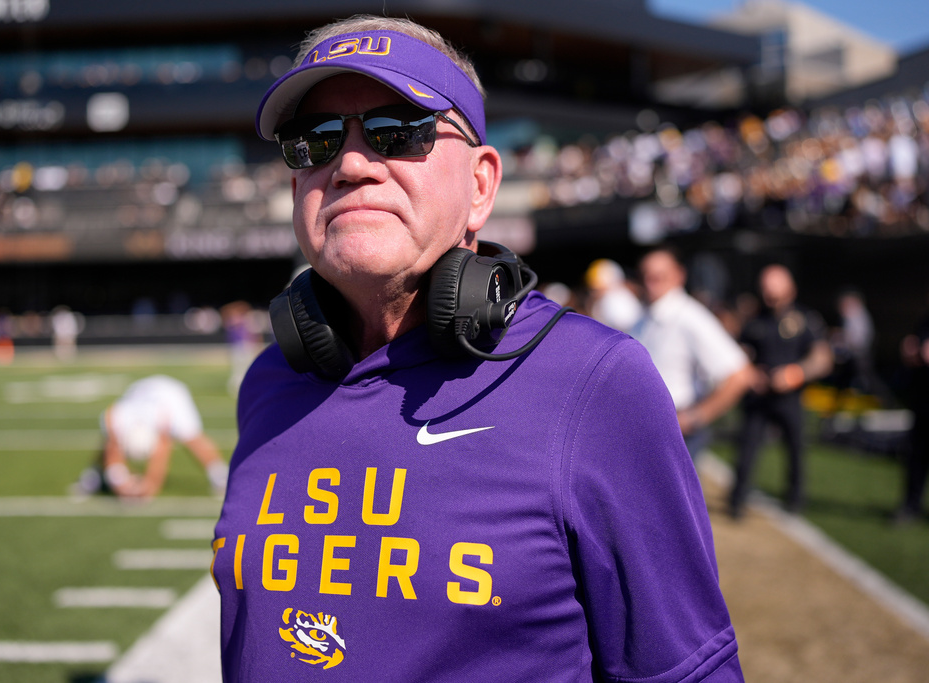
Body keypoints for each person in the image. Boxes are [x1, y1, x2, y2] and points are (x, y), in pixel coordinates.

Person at [213, 15, 742, 682]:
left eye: (396, 131)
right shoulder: (268, 381)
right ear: (296, 188)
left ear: (482, 185)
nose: (348, 164)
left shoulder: (595, 381)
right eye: (314, 141)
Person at [728, 264, 833, 519]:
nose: (769, 293)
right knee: (747, 449)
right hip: (758, 397)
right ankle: (737, 500)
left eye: (774, 287)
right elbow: (741, 354)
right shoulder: (754, 320)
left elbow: (822, 358)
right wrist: (751, 374)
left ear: (789, 288)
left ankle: (795, 499)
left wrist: (794, 374)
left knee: (796, 450)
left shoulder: (805, 319)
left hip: (790, 397)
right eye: (765, 287)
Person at [631, 247, 753, 461]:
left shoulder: (690, 317)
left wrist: (695, 417)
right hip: (645, 428)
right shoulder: (645, 316)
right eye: (646, 277)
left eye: (659, 277)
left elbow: (740, 374)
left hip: (676, 430)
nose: (650, 283)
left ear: (679, 275)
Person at [75, 375, 228, 499]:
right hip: (140, 389)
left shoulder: (166, 417)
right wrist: (121, 483)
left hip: (170, 393)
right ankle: (94, 475)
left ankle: (220, 476)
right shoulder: (114, 417)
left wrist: (149, 485)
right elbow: (112, 448)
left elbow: (162, 454)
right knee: (106, 442)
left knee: (190, 436)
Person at [894, 310, 929, 524]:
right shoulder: (924, 321)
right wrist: (910, 354)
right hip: (923, 402)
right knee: (916, 458)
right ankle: (910, 506)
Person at [583, 257, 642, 332]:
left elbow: (625, 328)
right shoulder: (617, 296)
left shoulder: (614, 299)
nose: (593, 292)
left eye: (597, 288)